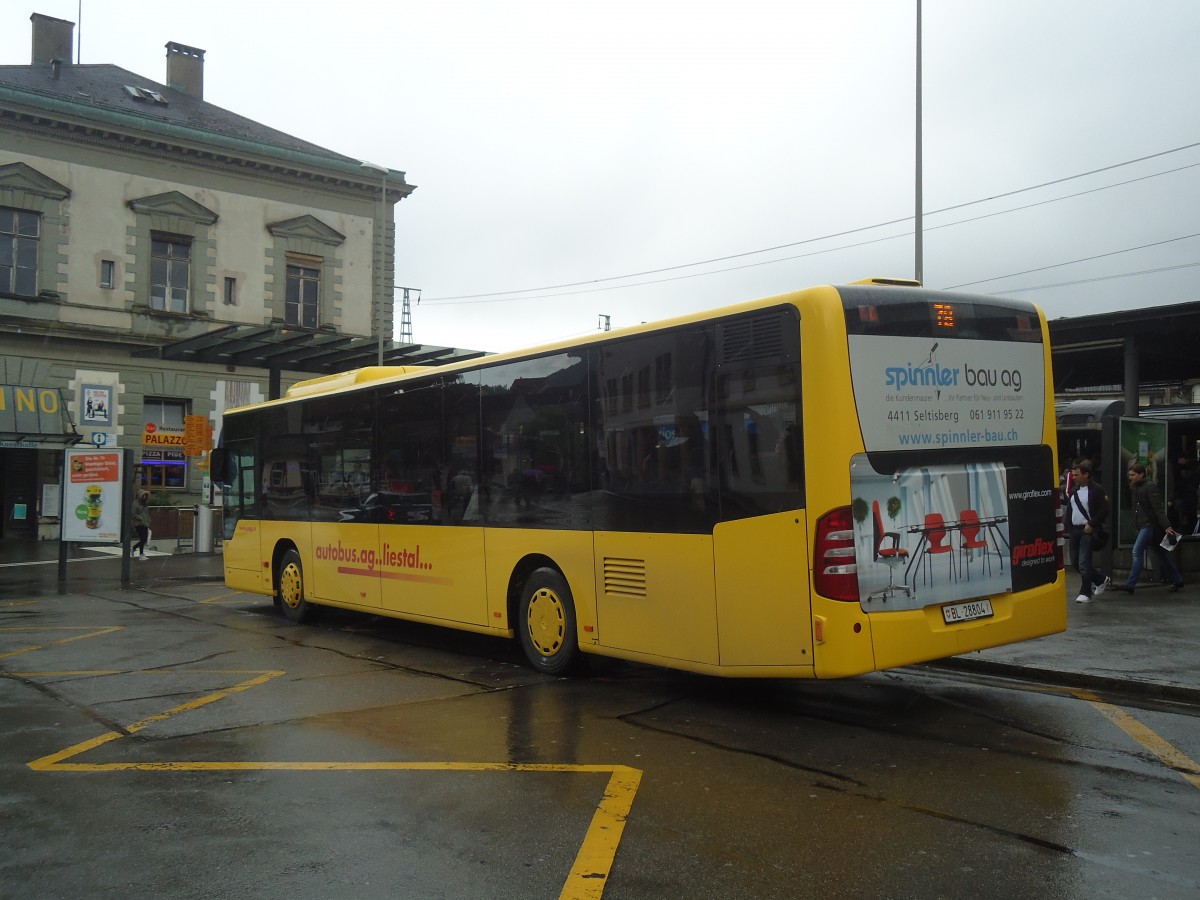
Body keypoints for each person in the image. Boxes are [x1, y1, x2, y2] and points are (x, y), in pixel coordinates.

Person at [1113, 463, 1184, 593]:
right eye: (1130, 475)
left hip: (1148, 525)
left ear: (1141, 474)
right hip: (1143, 524)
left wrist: (1167, 526)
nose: (1131, 477)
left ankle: (1130, 584)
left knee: (1137, 551)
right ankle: (1177, 579)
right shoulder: (1135, 486)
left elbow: (1158, 508)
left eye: (1133, 475)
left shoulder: (1149, 486)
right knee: (1160, 554)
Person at [1066, 460, 1111, 603]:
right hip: (1075, 530)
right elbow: (1071, 510)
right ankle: (1100, 579)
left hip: (1087, 529)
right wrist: (1069, 527)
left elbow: (1104, 510)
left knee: (1084, 562)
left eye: (1077, 475)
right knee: (1075, 562)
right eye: (1073, 475)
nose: (1074, 477)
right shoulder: (1074, 490)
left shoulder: (1096, 490)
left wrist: (1092, 524)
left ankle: (1086, 592)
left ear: (1086, 475)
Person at [131, 489, 151, 560]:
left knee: (143, 539)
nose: (145, 497)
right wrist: (140, 518)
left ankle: (136, 550)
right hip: (139, 524)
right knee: (143, 539)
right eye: (143, 495)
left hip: (145, 523)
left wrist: (148, 520)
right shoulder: (135, 503)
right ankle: (140, 553)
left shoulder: (145, 503)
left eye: (146, 495)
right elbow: (133, 513)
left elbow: (147, 513)